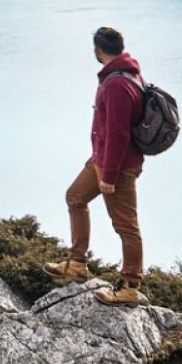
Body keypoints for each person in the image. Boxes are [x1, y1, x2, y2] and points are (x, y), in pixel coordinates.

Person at [45, 25, 147, 306]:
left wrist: (110, 176)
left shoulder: (116, 84)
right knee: (75, 196)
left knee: (126, 226)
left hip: (117, 166)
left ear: (97, 50)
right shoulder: (127, 74)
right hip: (101, 160)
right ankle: (77, 263)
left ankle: (130, 286)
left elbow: (118, 134)